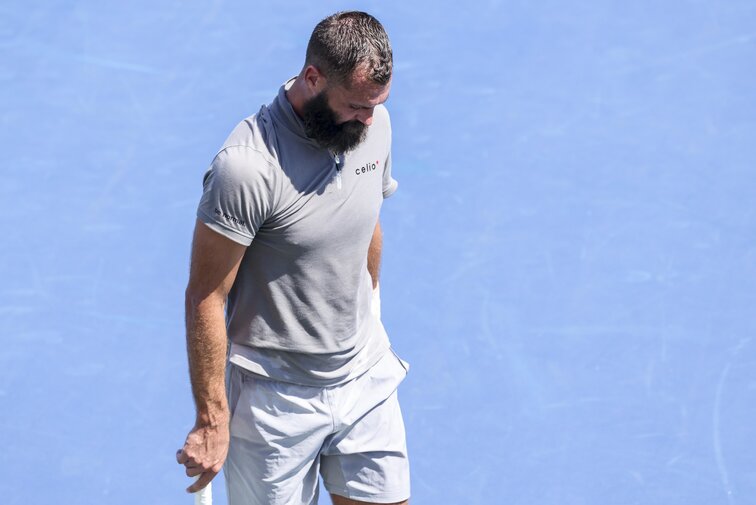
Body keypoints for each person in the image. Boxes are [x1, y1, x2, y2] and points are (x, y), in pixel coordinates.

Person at [176, 11, 410, 505]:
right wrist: (212, 420)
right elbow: (205, 296)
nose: (368, 120)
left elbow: (367, 220)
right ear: (312, 78)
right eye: (355, 106)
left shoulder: (375, 125)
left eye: (376, 106)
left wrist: (368, 319)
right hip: (274, 402)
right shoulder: (246, 168)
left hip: (362, 375)